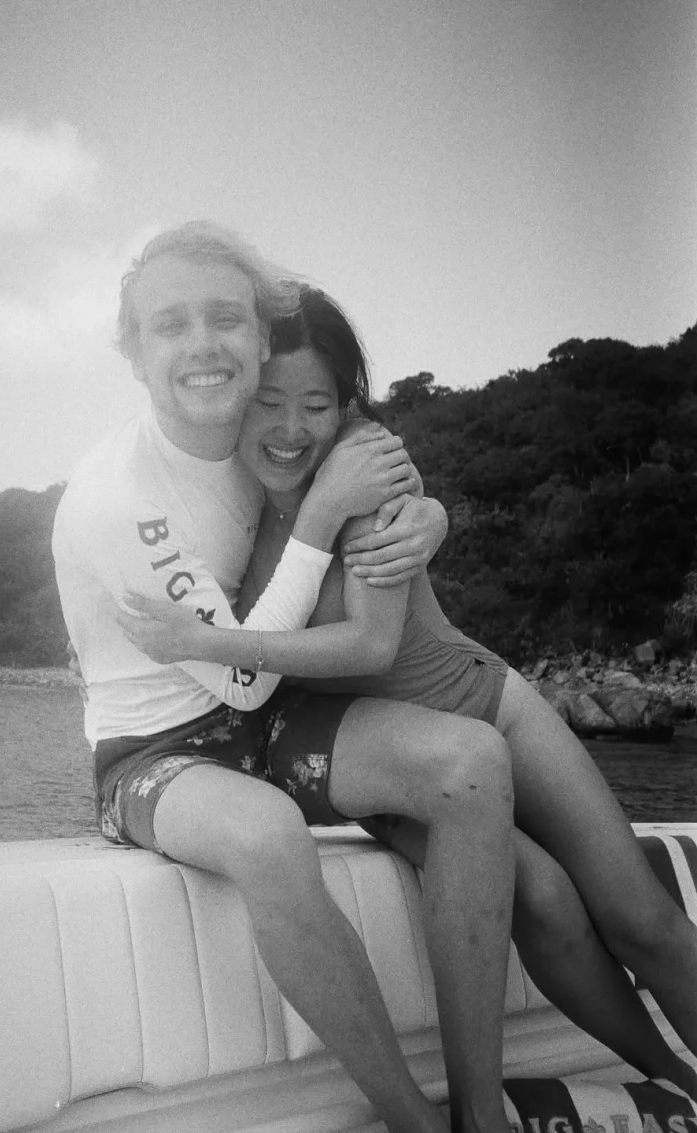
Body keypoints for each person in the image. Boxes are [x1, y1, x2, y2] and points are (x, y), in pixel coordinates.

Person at [118, 283, 697, 1102]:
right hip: (384, 747)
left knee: (642, 917)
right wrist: (432, 512)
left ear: (344, 404)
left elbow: (373, 642)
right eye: (270, 402)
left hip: (482, 699)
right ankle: (672, 1078)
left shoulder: (361, 463)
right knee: (543, 897)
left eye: (315, 405)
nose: (290, 429)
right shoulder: (223, 484)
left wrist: (207, 639)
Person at [54, 221, 515, 1133]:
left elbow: (373, 477)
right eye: (170, 324)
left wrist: (429, 516)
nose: (202, 344)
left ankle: (481, 1107)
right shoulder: (119, 499)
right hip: (153, 753)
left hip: (269, 722)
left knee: (471, 764)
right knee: (268, 837)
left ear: (261, 339)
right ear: (134, 353)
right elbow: (242, 681)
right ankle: (418, 1124)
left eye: (225, 318)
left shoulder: (260, 435)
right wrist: (319, 520)